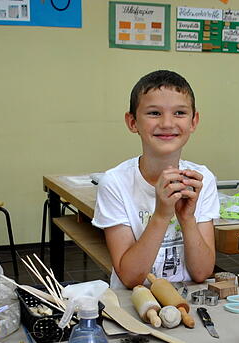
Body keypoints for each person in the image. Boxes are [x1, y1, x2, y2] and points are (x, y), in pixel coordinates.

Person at [92, 70, 219, 289]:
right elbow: (131, 278)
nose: (168, 123)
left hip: (187, 299)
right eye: (154, 113)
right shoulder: (115, 183)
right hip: (133, 303)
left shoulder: (202, 179)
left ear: (193, 121)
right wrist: (162, 214)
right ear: (132, 122)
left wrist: (187, 218)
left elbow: (202, 273)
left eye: (179, 112)